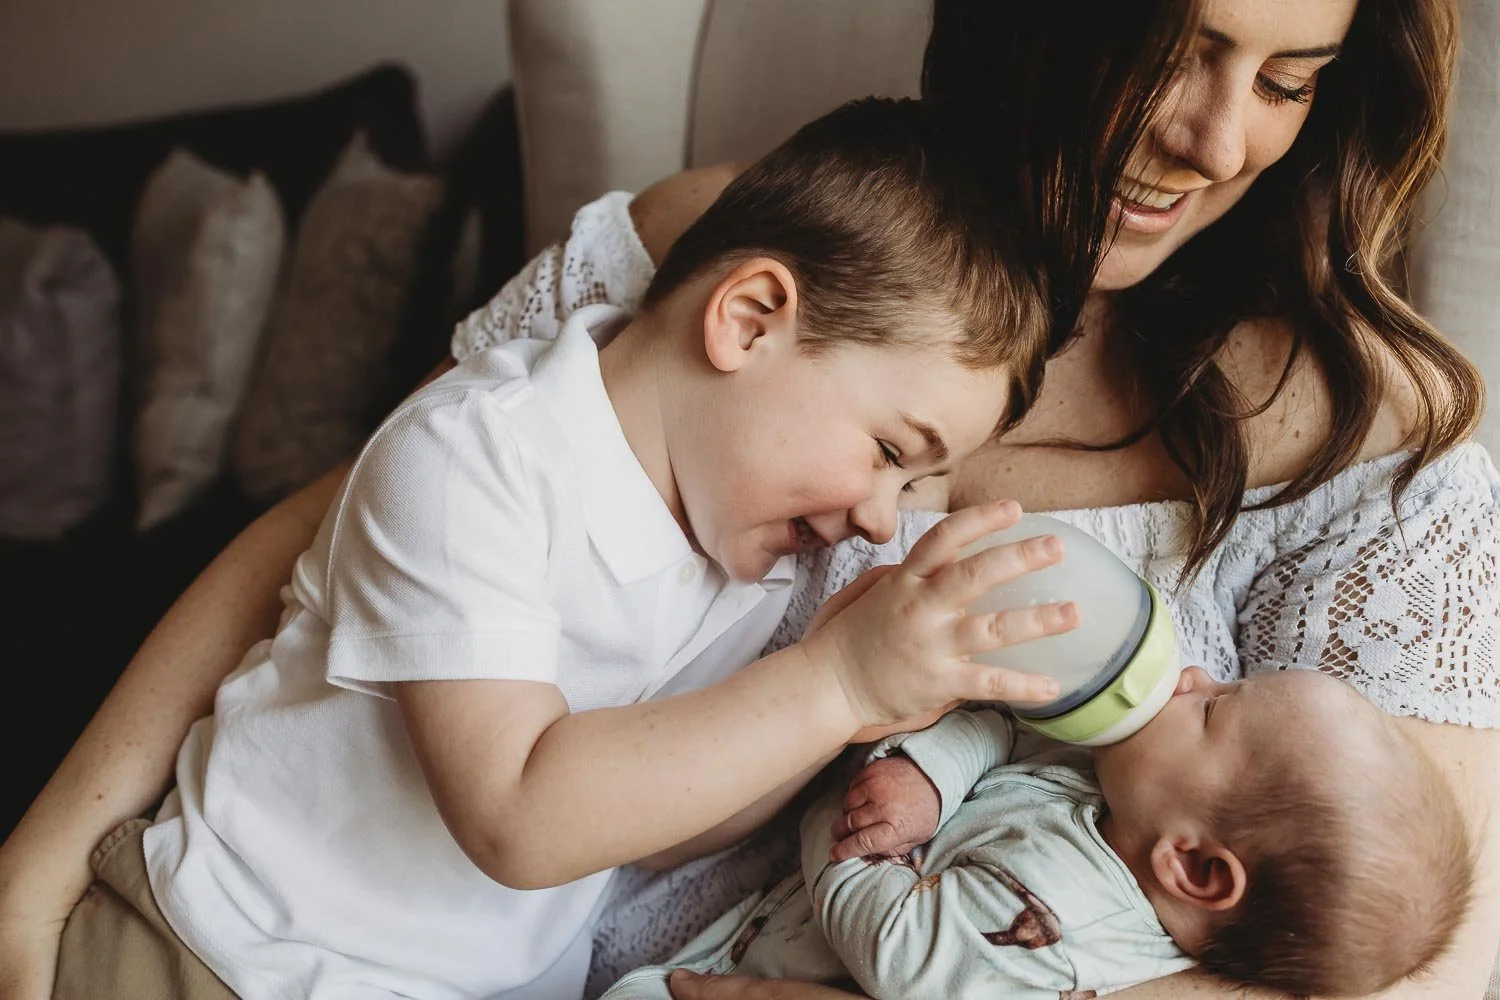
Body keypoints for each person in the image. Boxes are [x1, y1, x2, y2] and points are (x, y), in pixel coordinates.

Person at [3, 0, 1498, 998]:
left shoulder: (1371, 430)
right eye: (1181, 44)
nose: (1219, 136)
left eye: (1288, 81)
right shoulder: (723, 249)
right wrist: (40, 862)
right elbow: (331, 539)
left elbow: (1411, 948)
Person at [41, 98, 1094, 1000]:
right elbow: (521, 814)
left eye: (909, 487)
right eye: (886, 452)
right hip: (222, 952)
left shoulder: (734, 545)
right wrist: (828, 681)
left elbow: (654, 824)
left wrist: (837, 714)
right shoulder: (473, 456)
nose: (878, 514)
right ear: (749, 318)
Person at [598, 667, 1474, 999]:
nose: (1194, 676)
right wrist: (929, 777)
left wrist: (851, 808)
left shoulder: (1068, 913)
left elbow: (898, 948)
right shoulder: (1124, 796)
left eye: (1212, 710)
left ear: (1197, 868)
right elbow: (1003, 722)